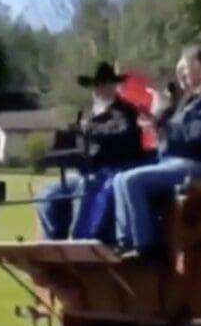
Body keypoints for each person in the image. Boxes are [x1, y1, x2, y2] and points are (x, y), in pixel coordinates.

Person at [112, 45, 201, 258]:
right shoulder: (190, 100)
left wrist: (163, 127)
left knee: (131, 181)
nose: (181, 76)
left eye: (185, 69)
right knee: (119, 179)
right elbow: (175, 134)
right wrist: (157, 122)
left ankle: (146, 248)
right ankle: (125, 242)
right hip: (183, 162)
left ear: (200, 67)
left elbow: (198, 136)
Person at [36, 62, 145, 241]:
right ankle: (51, 243)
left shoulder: (125, 112)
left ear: (113, 87)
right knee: (48, 194)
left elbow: (120, 132)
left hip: (114, 169)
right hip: (85, 171)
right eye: (96, 86)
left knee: (86, 187)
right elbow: (77, 141)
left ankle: (79, 240)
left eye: (103, 85)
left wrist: (90, 128)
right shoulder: (87, 114)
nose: (98, 90)